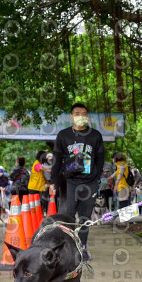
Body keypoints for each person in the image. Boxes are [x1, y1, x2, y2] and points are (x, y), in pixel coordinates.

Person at [50, 102, 105, 261]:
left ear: (87, 117)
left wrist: (96, 178)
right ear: (71, 116)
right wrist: (54, 183)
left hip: (90, 183)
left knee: (85, 218)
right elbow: (57, 159)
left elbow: (100, 159)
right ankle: (65, 249)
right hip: (69, 183)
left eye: (83, 113)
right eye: (77, 113)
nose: (80, 116)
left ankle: (82, 248)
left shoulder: (95, 135)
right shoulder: (63, 135)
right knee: (67, 217)